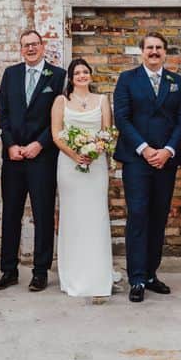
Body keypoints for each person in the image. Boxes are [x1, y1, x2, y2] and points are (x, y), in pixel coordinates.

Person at [113, 32, 181, 303]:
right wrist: (145, 149)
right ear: (142, 52)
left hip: (165, 161)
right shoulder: (127, 79)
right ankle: (136, 278)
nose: (154, 51)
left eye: (159, 48)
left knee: (159, 217)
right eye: (150, 48)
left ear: (165, 52)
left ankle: (150, 274)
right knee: (138, 215)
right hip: (137, 160)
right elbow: (121, 118)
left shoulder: (176, 82)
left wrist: (168, 150)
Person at [0, 29, 66, 292]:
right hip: (13, 157)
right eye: (26, 45)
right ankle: (8, 270)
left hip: (42, 156)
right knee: (11, 213)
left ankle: (40, 271)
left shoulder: (57, 76)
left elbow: (59, 117)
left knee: (43, 214)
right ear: (20, 49)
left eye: (35, 44)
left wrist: (40, 144)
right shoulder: (11, 74)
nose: (31, 49)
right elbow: (3, 113)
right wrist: (10, 144)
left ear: (43, 46)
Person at [51, 58, 115, 297]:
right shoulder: (61, 101)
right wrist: (76, 154)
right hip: (69, 165)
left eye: (85, 72)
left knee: (96, 216)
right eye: (77, 72)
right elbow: (56, 135)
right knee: (73, 217)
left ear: (90, 75)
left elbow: (107, 132)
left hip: (96, 165)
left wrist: (93, 151)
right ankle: (74, 274)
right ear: (71, 77)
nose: (81, 76)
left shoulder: (102, 100)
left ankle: (98, 274)